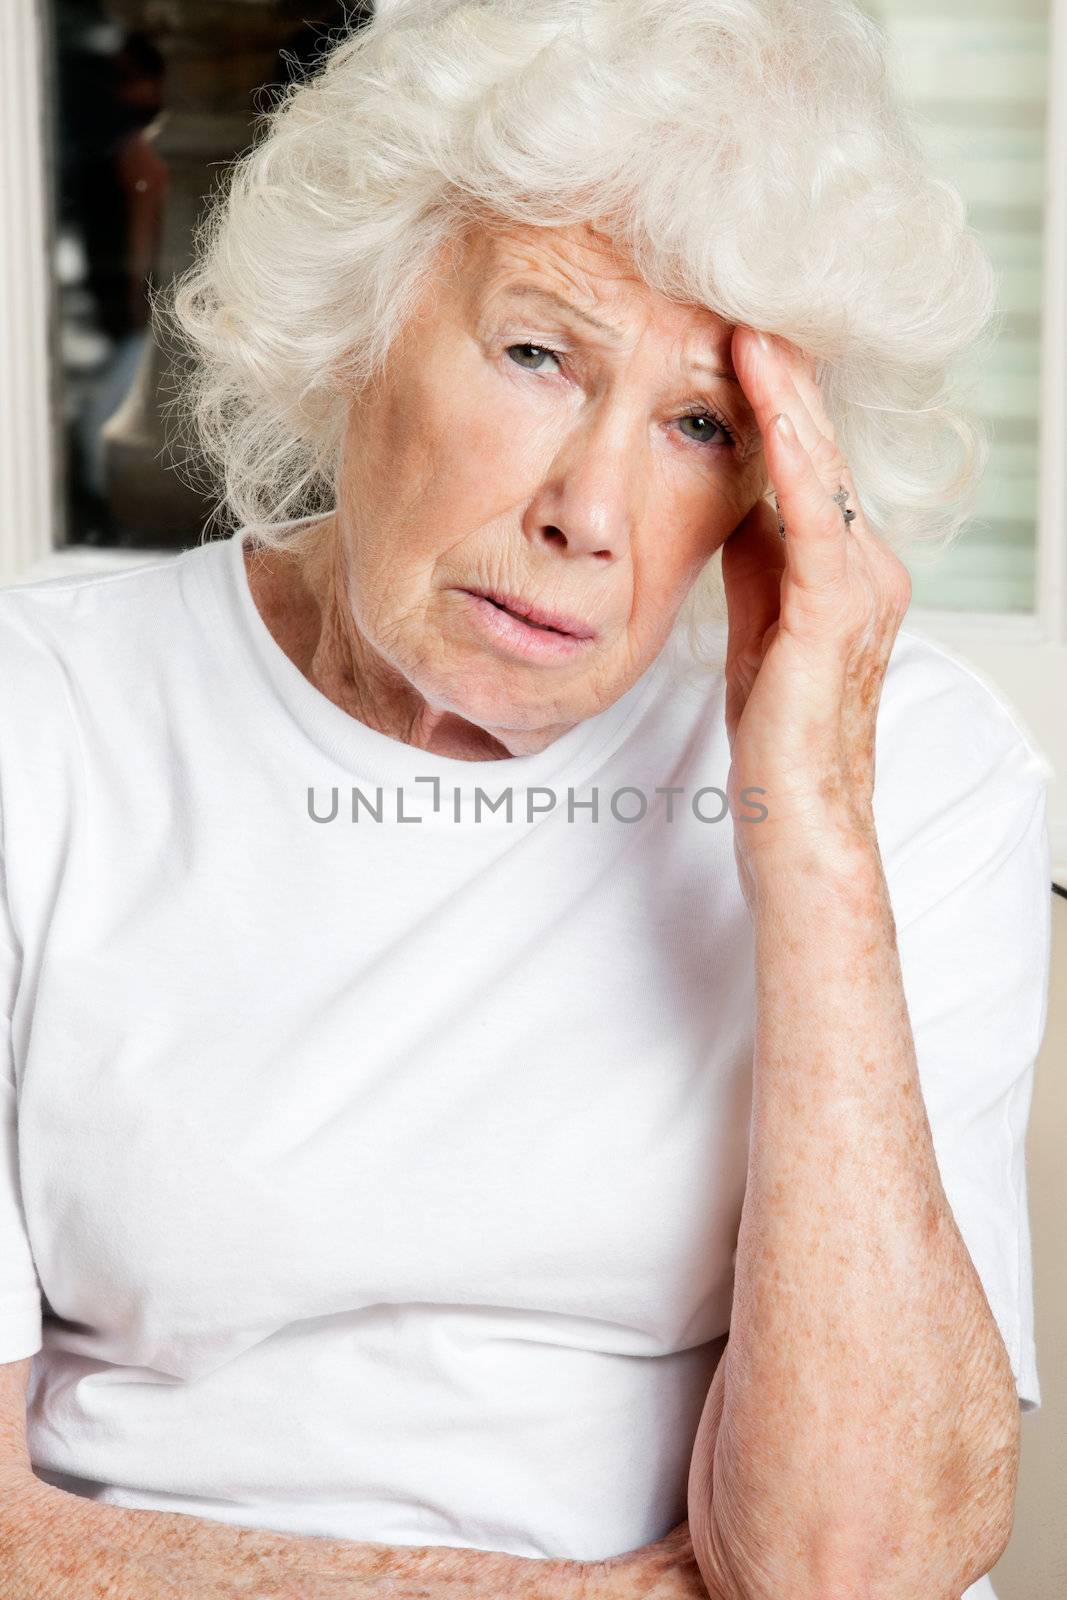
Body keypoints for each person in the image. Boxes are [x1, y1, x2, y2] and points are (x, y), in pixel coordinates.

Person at [0, 1, 1051, 1596]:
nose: (593, 513)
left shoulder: (910, 763)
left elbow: (864, 1568)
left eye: (702, 424)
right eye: (539, 355)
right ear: (355, 316)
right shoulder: (45, 720)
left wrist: (812, 825)